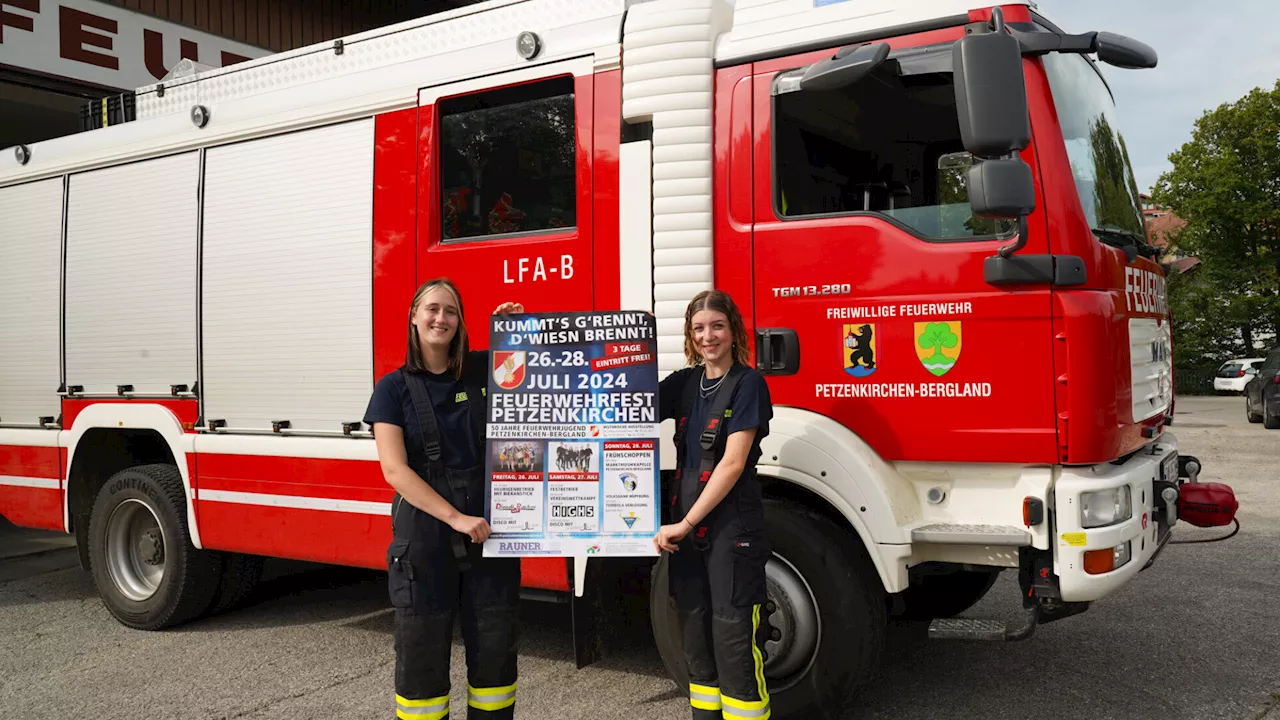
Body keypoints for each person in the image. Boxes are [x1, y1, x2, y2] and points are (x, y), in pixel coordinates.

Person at [364, 277, 524, 720]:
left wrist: (515, 333)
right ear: (414, 316)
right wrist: (455, 517)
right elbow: (395, 470)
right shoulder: (392, 389)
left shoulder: (481, 372)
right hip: (427, 536)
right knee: (422, 660)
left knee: (495, 655)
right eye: (432, 309)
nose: (441, 318)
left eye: (450, 311)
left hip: (488, 536)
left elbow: (536, 381)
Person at [653, 289, 775, 720]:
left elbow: (733, 463)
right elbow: (623, 398)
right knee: (696, 639)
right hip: (686, 531)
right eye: (699, 327)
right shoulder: (685, 383)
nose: (709, 336)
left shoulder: (748, 384)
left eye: (717, 326)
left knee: (733, 637)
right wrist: (532, 337)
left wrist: (684, 523)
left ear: (733, 330)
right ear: (690, 333)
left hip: (731, 531)